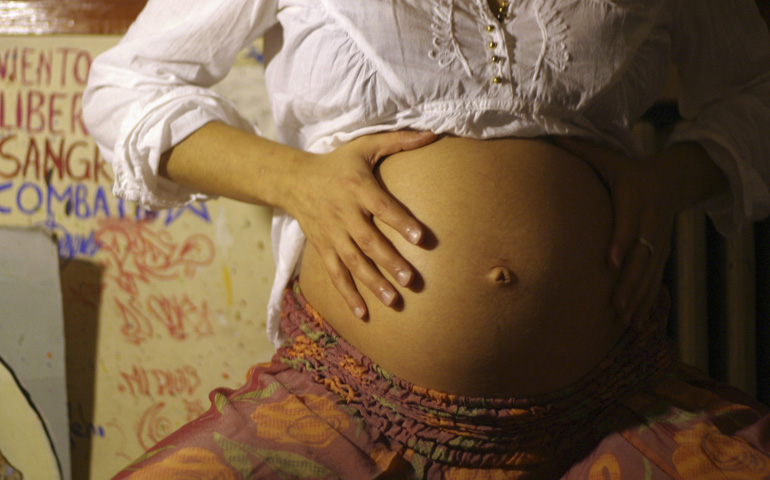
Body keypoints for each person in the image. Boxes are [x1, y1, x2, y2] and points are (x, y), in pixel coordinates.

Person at [85, 0, 770, 478]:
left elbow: (756, 92)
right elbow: (126, 89)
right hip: (347, 407)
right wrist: (296, 180)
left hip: (615, 403)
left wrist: (667, 182)